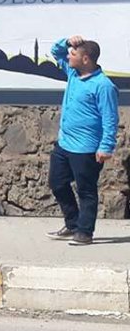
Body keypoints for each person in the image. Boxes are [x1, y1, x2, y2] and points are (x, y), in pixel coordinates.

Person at [46, 36, 119, 246]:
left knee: (86, 191)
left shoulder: (103, 86)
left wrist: (106, 147)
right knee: (57, 183)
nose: (69, 55)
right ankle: (72, 224)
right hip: (64, 144)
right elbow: (56, 51)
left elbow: (110, 118)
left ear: (85, 59)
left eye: (74, 53)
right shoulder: (72, 74)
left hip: (86, 148)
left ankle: (85, 232)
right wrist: (67, 40)